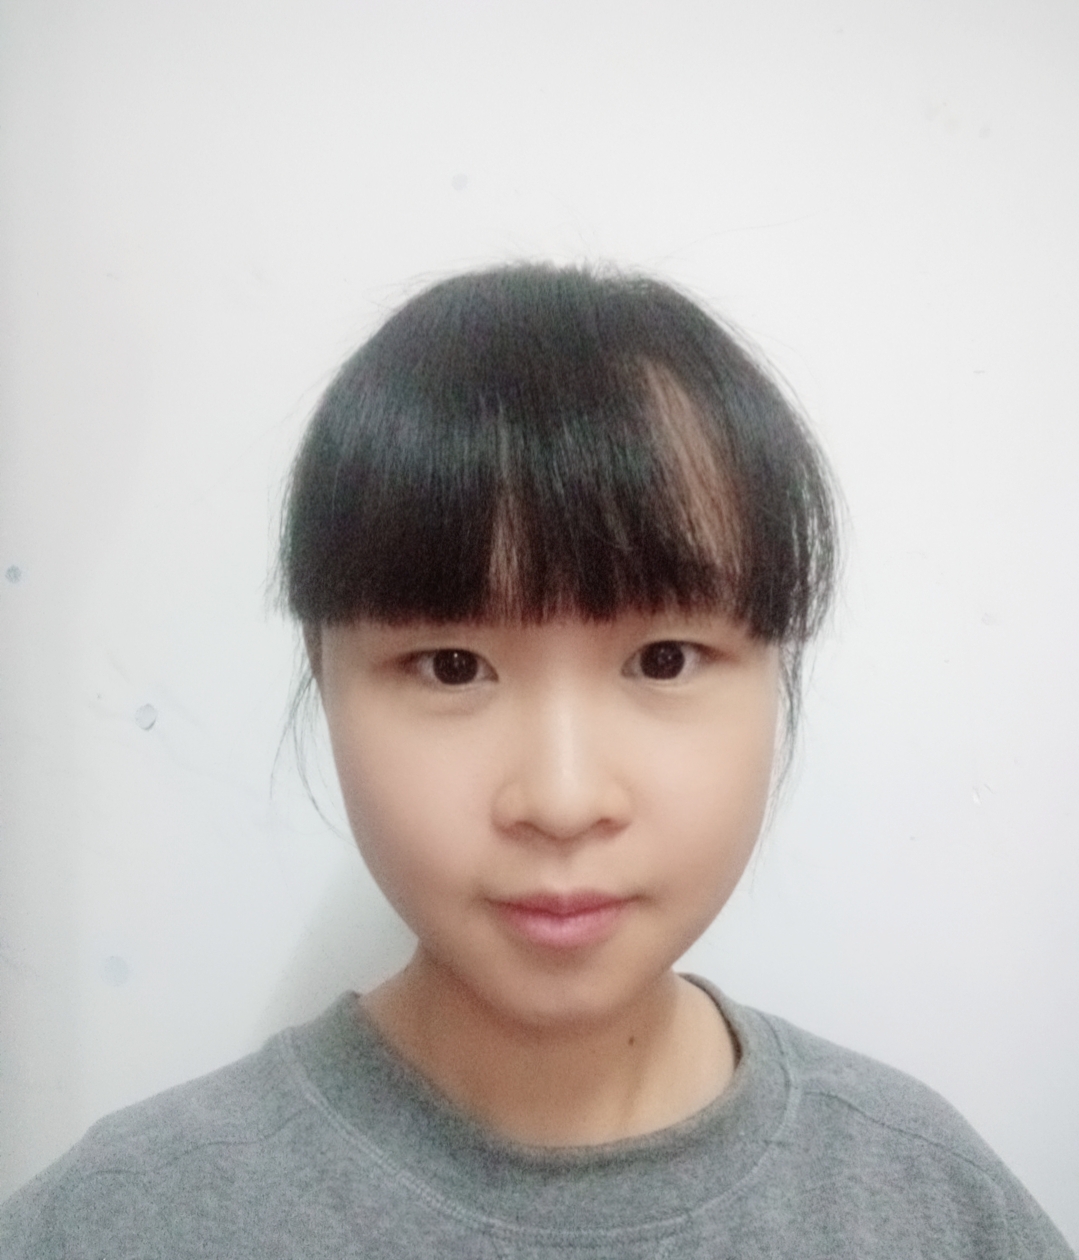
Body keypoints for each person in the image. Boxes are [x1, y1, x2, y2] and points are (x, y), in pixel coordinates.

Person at [1, 264, 1071, 1258]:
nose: (562, 800)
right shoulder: (119, 1222)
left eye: (662, 659)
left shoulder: (933, 1206)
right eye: (452, 666)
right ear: (322, 679)